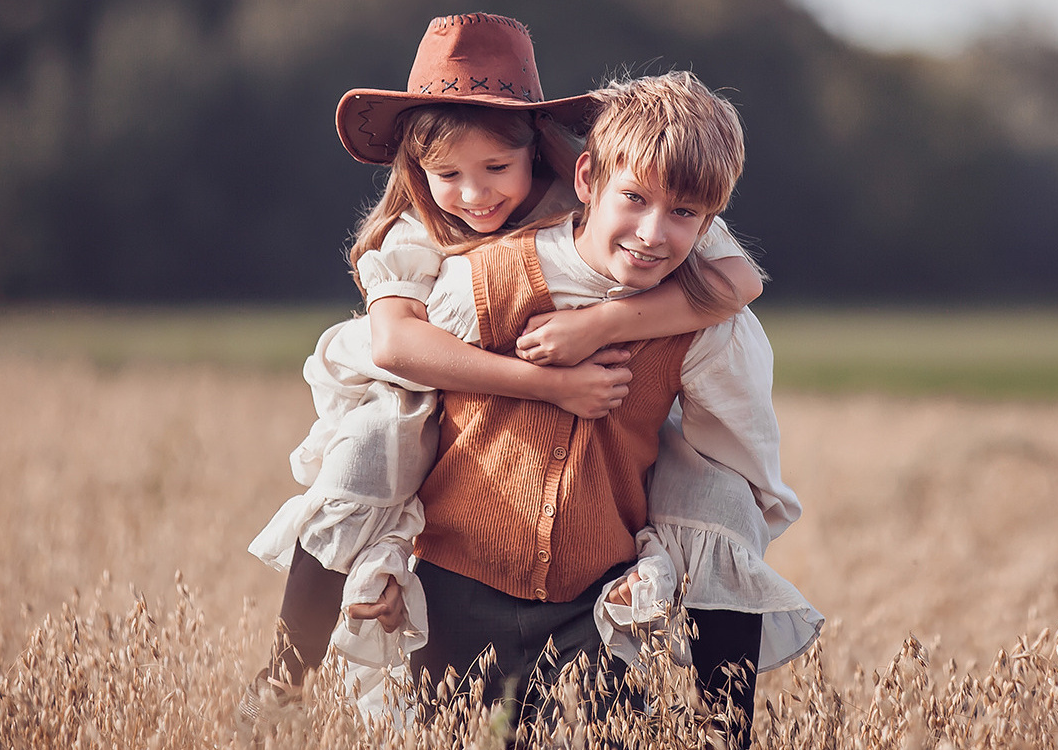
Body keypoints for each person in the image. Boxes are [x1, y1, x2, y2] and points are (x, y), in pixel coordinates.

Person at [236, 13, 767, 735]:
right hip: (418, 387)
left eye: (495, 169)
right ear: (417, 173)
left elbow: (738, 279)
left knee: (711, 490)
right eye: (447, 174)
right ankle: (286, 675)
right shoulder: (415, 233)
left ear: (542, 153)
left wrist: (601, 324)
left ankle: (720, 722)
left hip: (599, 490)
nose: (475, 194)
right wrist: (552, 383)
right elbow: (395, 348)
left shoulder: (610, 197)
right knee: (370, 448)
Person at [404, 69, 816, 746]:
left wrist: (660, 559)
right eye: (635, 199)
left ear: (711, 223)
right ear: (588, 179)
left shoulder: (710, 327)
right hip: (455, 592)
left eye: (684, 214)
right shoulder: (484, 279)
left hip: (595, 610)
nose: (654, 233)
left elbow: (734, 473)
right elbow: (393, 409)